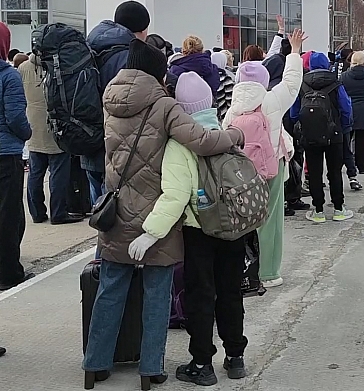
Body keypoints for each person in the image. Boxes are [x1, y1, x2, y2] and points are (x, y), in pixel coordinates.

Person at [82, 39, 245, 388]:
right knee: (157, 293)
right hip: (157, 213)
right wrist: (233, 135)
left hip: (116, 208)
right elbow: (201, 141)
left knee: (110, 288)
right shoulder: (164, 105)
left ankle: (94, 364)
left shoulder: (108, 97)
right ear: (157, 73)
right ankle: (149, 369)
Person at [145, 72, 249, 386]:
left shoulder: (181, 144)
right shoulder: (224, 132)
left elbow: (176, 196)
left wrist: (151, 231)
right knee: (231, 292)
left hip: (200, 228)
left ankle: (202, 363)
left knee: (201, 295)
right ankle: (235, 358)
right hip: (234, 225)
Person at [223, 30, 305, 288]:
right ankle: (268, 272)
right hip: (271, 166)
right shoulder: (270, 100)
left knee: (242, 218)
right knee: (270, 219)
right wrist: (294, 52)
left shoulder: (232, 107)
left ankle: (243, 269)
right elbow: (292, 83)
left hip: (240, 170)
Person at [83, 0, 150, 209]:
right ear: (143, 28)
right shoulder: (130, 55)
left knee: (100, 213)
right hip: (117, 149)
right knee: (117, 218)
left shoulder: (89, 46)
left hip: (88, 141)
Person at [19, 42, 81, 224]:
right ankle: (58, 213)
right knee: (58, 174)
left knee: (35, 173)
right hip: (56, 127)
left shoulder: (23, 68)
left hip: (33, 127)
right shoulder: (60, 66)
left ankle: (37, 213)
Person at [290, 52, 353, 223]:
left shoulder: (302, 84)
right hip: (334, 134)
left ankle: (318, 210)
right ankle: (339, 208)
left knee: (315, 172)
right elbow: (346, 108)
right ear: (327, 64)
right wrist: (344, 127)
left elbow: (294, 112)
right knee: (334, 171)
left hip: (310, 134)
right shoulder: (335, 83)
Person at [0, 22, 33, 292]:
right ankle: (9, 273)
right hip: (6, 154)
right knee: (8, 215)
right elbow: (15, 117)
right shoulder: (8, 77)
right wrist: (26, 134)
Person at [211, 51, 234, 121]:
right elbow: (230, 101)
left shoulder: (206, 77)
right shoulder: (226, 78)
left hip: (211, 116)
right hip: (224, 116)